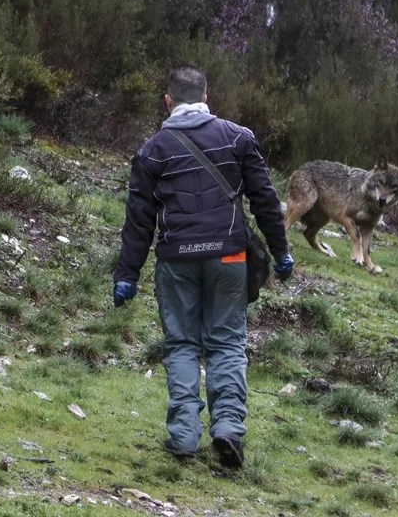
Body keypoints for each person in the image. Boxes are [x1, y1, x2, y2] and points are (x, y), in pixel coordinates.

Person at [112, 66, 293, 468]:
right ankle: (228, 430)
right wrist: (280, 252)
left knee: (182, 345)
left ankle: (183, 437)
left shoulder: (152, 150)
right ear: (206, 98)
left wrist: (127, 275)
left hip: (177, 260)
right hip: (229, 256)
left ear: (168, 102)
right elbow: (264, 201)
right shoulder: (238, 138)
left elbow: (139, 222)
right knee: (226, 343)